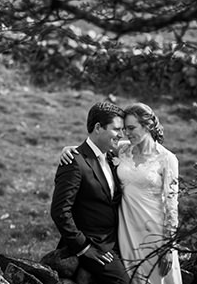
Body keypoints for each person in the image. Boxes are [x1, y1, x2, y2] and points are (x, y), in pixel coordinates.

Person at [62, 102, 182, 284]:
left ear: (148, 125)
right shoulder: (123, 149)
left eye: (132, 128)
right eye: (125, 128)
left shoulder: (168, 159)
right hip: (126, 230)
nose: (126, 133)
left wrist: (168, 247)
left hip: (154, 232)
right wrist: (69, 149)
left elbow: (172, 208)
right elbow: (94, 146)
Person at [51, 101, 129, 284]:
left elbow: (142, 143)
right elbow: (60, 211)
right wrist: (84, 247)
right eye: (117, 129)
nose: (121, 135)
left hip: (119, 240)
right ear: (98, 128)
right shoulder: (74, 162)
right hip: (94, 246)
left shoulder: (111, 157)